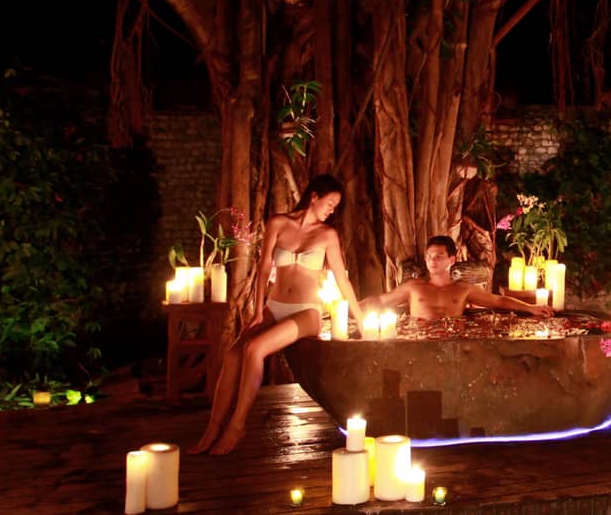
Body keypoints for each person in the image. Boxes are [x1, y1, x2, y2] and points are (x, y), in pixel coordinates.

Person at [191, 174, 361, 455]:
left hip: (306, 312)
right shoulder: (278, 224)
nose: (332, 210)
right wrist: (258, 311)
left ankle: (237, 426)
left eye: (335, 207)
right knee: (234, 355)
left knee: (255, 349)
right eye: (329, 203)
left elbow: (343, 281)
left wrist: (360, 318)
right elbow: (263, 268)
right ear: (314, 197)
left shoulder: (327, 235)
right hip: (275, 306)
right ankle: (213, 428)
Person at [363, 235, 554, 320]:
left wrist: (531, 308)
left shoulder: (463, 289)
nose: (432, 261)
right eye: (429, 256)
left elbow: (498, 301)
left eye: (439, 256)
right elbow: (381, 301)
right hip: (418, 338)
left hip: (452, 340)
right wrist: (351, 307)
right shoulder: (413, 287)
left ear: (452, 259)